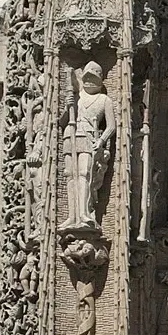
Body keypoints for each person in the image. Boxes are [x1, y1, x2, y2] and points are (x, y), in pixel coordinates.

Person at [64, 62, 116, 228]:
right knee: (70, 174)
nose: (89, 82)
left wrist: (101, 141)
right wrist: (68, 107)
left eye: (93, 78)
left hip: (89, 138)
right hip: (71, 135)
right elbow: (61, 122)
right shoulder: (77, 96)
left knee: (84, 173)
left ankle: (84, 213)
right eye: (86, 78)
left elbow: (111, 126)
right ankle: (72, 216)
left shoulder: (104, 100)